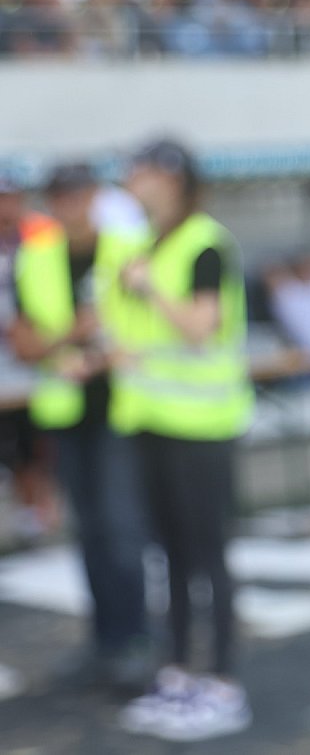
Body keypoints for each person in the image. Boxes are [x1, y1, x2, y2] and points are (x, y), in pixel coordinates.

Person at [104, 139, 253, 742]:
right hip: (153, 420)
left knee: (208, 555)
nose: (131, 182)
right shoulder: (147, 242)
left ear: (170, 179)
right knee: (170, 554)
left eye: (140, 172)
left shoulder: (203, 244)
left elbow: (200, 326)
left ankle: (223, 679)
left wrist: (149, 290)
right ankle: (180, 671)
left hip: (203, 426)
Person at [9, 163, 151, 692]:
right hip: (67, 412)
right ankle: (106, 639)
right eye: (60, 198)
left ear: (93, 197)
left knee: (121, 528)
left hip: (121, 409)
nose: (70, 208)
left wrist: (99, 351)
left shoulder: (126, 249)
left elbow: (145, 332)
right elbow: (24, 342)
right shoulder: (36, 256)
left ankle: (136, 638)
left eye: (78, 196)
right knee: (89, 530)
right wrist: (70, 337)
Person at [0, 174, 60, 543]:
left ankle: (42, 513)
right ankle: (28, 513)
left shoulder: (40, 236)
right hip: (6, 363)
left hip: (36, 359)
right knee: (12, 445)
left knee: (37, 443)